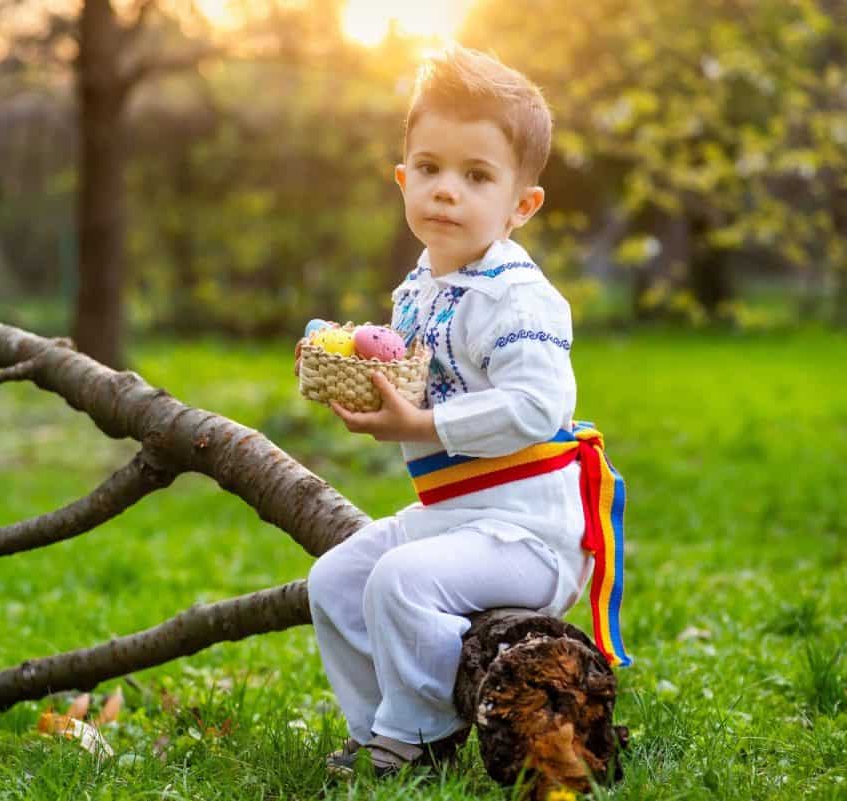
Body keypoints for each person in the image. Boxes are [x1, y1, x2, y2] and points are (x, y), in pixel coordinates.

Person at [305, 45, 630, 780]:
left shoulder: (517, 296)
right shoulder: (420, 286)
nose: (445, 191)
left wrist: (419, 425)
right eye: (429, 169)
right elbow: (418, 378)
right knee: (334, 580)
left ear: (522, 204)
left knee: (400, 582)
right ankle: (380, 730)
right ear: (402, 179)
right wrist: (361, 379)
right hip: (457, 517)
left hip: (531, 533)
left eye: (476, 176)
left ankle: (419, 738)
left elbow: (537, 404)